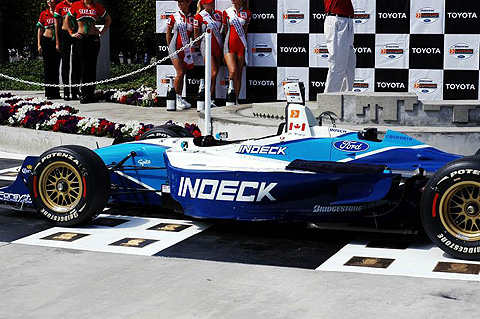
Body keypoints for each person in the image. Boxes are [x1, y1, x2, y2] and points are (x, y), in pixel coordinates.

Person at [65, 0, 111, 104]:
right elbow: (67, 19)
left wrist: (102, 31)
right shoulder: (77, 5)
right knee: (84, 65)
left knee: (92, 65)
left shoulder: (97, 7)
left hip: (93, 38)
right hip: (81, 38)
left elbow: (108, 19)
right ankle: (84, 92)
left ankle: (90, 92)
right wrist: (71, 33)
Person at [194, 0, 223, 108]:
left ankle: (211, 99)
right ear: (203, 4)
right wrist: (200, 46)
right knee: (213, 72)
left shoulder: (219, 14)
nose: (212, 4)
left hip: (218, 45)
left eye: (212, 2)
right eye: (209, 2)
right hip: (206, 45)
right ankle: (206, 97)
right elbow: (196, 34)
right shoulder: (199, 16)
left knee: (214, 75)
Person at [166, 0, 194, 110]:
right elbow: (168, 32)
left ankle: (179, 97)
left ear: (188, 3)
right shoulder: (174, 16)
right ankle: (175, 98)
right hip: (175, 47)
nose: (180, 4)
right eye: (179, 3)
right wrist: (170, 47)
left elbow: (193, 33)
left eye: (182, 2)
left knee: (183, 73)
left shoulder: (193, 17)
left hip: (186, 49)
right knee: (180, 72)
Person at [323, 0, 356, 93]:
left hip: (347, 19)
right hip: (336, 19)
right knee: (337, 60)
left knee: (350, 62)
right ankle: (330, 97)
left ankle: (345, 95)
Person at [222, 0, 250, 105]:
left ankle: (235, 100)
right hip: (229, 45)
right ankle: (230, 97)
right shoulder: (227, 12)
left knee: (239, 74)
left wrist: (245, 47)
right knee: (233, 71)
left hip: (241, 46)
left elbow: (245, 30)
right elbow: (225, 31)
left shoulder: (247, 13)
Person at [54, 0, 80, 101]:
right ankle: (66, 91)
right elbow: (56, 24)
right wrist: (57, 41)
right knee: (65, 63)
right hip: (64, 34)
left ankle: (75, 91)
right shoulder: (60, 5)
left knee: (76, 62)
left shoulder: (78, 4)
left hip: (76, 32)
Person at [37, 0, 61, 99]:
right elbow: (40, 29)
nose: (49, 1)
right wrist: (39, 44)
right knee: (48, 67)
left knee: (56, 67)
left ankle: (56, 92)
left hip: (57, 42)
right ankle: (49, 92)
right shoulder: (44, 14)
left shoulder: (58, 13)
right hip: (46, 41)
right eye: (48, 0)